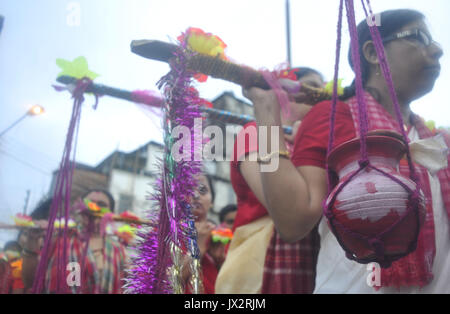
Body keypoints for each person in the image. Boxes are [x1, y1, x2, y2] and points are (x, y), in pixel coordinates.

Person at [244, 9, 448, 293]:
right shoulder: (334, 116)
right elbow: (293, 220)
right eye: (419, 37)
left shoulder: (440, 143)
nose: (437, 50)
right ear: (373, 52)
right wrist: (266, 112)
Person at [215, 67, 324, 294]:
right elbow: (281, 206)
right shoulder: (254, 132)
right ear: (285, 94)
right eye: (313, 86)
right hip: (259, 266)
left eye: (325, 88)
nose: (322, 94)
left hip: (315, 262)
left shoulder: (318, 142)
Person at [22, 189, 127, 294]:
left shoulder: (119, 250)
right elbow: (30, 281)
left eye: (101, 205)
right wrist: (31, 241)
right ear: (80, 208)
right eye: (89, 203)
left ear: (111, 214)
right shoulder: (59, 238)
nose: (94, 208)